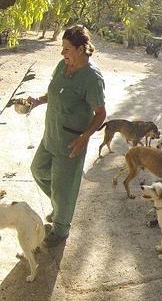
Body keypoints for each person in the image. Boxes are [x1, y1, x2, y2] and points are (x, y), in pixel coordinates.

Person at [28, 25, 106, 247]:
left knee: (64, 189)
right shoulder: (62, 65)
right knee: (38, 170)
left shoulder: (92, 79)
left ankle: (61, 230)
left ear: (82, 49)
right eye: (63, 48)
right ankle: (60, 206)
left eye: (67, 49)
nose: (63, 53)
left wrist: (84, 137)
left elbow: (101, 114)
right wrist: (38, 100)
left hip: (71, 142)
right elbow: (53, 92)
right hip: (51, 134)